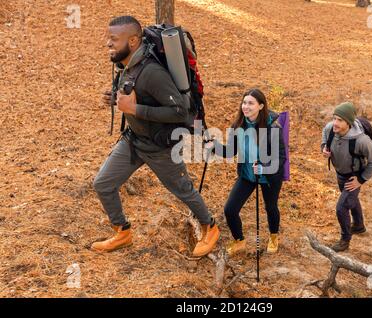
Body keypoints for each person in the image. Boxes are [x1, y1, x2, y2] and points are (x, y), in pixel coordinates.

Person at [91, 16, 219, 256]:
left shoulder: (151, 72)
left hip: (160, 146)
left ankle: (210, 227)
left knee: (182, 190)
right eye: (108, 38)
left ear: (133, 40)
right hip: (134, 140)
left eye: (114, 39)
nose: (108, 43)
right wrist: (116, 100)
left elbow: (180, 111)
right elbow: (133, 97)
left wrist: (134, 109)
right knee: (103, 183)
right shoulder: (127, 65)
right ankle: (122, 232)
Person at [206, 88, 286, 256]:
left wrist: (264, 168)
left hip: (269, 176)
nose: (246, 106)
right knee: (230, 209)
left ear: (261, 106)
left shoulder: (272, 127)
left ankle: (273, 236)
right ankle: (239, 240)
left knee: (271, 207)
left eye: (251, 103)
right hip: (248, 175)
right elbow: (230, 151)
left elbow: (280, 158)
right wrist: (214, 146)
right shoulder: (238, 126)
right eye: (244, 102)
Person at [321, 102, 372, 252]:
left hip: (353, 176)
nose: (335, 123)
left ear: (348, 123)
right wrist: (324, 148)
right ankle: (359, 225)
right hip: (340, 173)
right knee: (350, 199)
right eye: (334, 118)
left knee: (341, 208)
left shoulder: (361, 140)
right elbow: (324, 136)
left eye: (340, 120)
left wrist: (360, 180)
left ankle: (345, 239)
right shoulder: (330, 129)